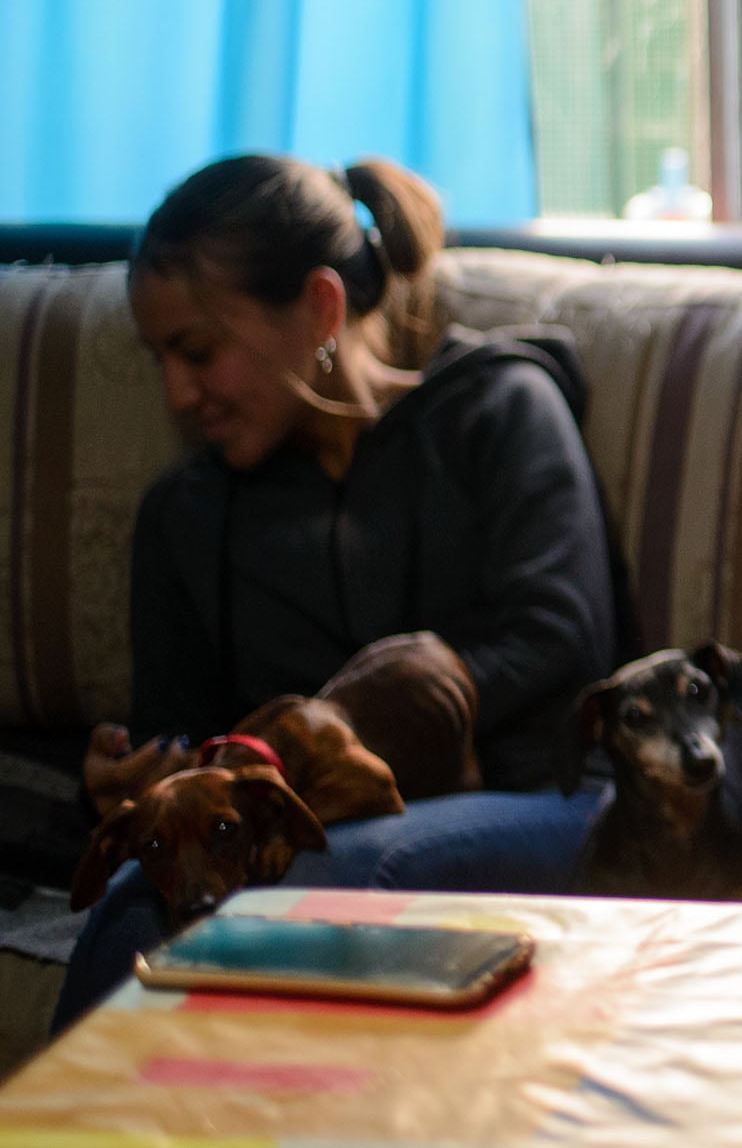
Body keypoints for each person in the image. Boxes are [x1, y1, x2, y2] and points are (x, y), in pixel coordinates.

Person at [59, 154, 622, 1027]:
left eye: (198, 351)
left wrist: (368, 720)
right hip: (298, 824)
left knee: (319, 881)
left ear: (321, 308)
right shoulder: (186, 511)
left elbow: (564, 639)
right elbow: (183, 724)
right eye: (160, 359)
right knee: (135, 903)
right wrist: (139, 777)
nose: (177, 392)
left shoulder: (497, 409)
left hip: (535, 798)